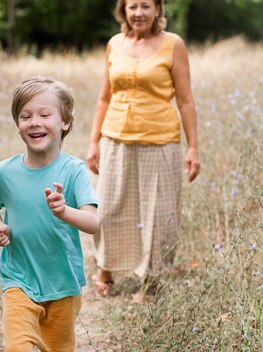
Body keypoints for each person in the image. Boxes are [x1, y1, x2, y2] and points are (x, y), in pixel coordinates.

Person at [86, 0, 200, 298]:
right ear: (123, 10)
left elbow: (185, 100)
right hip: (115, 138)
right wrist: (93, 142)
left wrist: (193, 148)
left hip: (160, 140)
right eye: (132, 6)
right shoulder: (114, 44)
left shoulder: (173, 45)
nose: (138, 12)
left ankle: (150, 281)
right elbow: (103, 97)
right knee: (108, 207)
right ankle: (105, 268)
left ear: (158, 10)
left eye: (146, 6)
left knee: (157, 214)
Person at [0, 76, 100, 351]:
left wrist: (64, 211)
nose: (34, 122)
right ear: (18, 124)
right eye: (25, 116)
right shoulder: (6, 172)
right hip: (18, 280)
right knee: (16, 346)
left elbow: (92, 223)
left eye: (45, 114)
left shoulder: (74, 170)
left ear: (65, 122)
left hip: (63, 284)